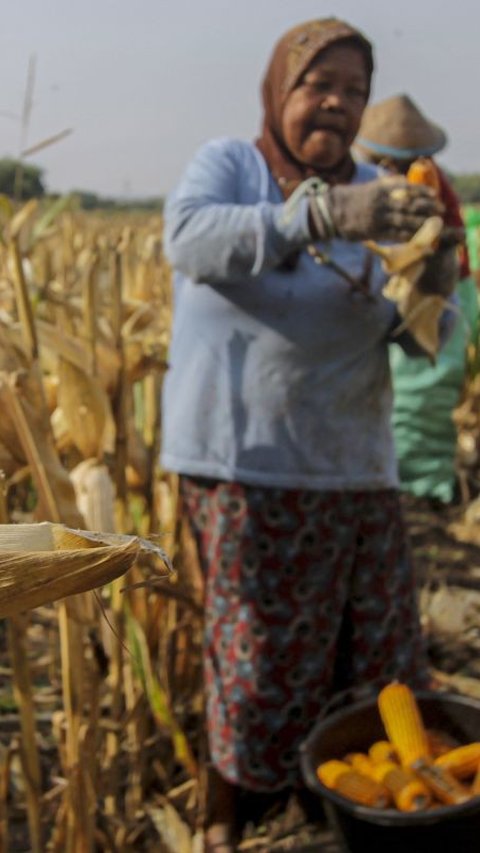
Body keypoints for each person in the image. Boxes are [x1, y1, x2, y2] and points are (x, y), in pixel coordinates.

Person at [161, 19, 454, 851]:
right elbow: (190, 242)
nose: (336, 102)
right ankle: (230, 808)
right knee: (256, 661)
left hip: (356, 468)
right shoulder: (233, 165)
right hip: (245, 467)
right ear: (279, 89)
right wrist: (322, 214)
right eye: (318, 84)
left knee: (377, 655)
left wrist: (432, 275)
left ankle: (353, 809)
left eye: (353, 90)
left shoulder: (388, 193)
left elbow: (424, 338)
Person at [355, 95, 479, 504]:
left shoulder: (423, 180)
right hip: (404, 290)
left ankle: (422, 484)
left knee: (423, 389)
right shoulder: (373, 182)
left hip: (436, 294)